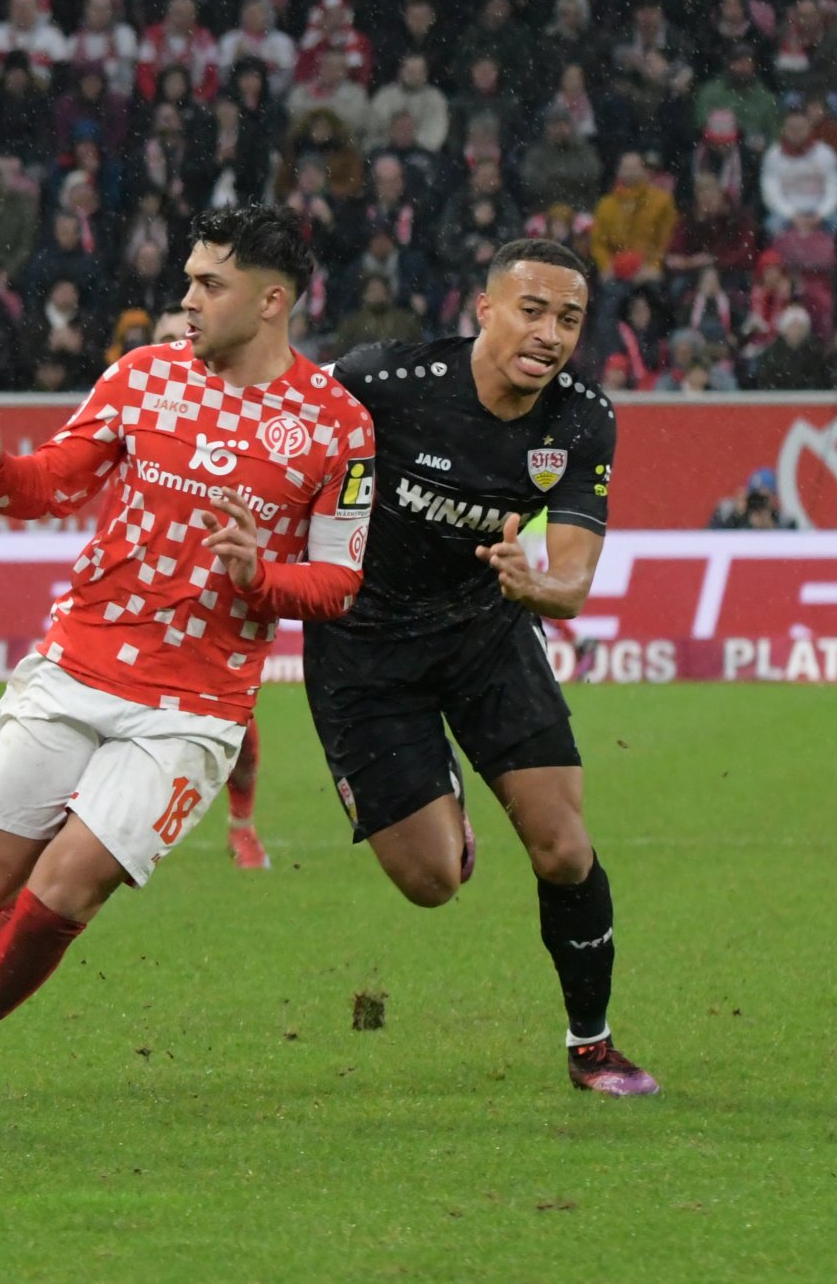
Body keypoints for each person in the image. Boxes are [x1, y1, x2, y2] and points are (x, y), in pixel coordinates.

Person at [0, 206, 376, 1100]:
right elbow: (47, 486)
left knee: (66, 891)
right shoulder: (142, 376)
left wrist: (263, 577)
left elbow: (339, 583)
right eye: (189, 280)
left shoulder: (337, 423)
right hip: (78, 662)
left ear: (272, 301)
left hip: (193, 707)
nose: (187, 299)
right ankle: (9, 935)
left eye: (209, 284)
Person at [310, 239, 658, 1097]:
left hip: (485, 635)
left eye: (569, 319)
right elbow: (283, 439)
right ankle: (443, 803)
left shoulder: (580, 417)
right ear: (486, 310)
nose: (550, 332)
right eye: (533, 310)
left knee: (564, 848)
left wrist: (540, 584)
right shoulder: (380, 381)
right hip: (366, 649)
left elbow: (573, 578)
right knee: (431, 882)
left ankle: (592, 1044)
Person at [152, 303, 271, 870]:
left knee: (236, 730)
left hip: (213, 597)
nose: (181, 348)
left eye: (187, 336)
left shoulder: (243, 415)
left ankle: (241, 826)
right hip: (143, 593)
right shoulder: (140, 406)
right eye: (166, 340)